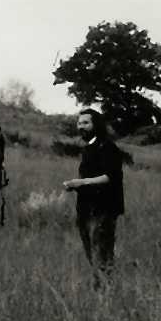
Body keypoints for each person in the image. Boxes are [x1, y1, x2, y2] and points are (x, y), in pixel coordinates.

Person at [62, 109, 125, 284]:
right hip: (86, 207)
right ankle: (102, 286)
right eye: (79, 123)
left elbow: (109, 177)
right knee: (91, 250)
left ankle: (104, 289)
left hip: (104, 208)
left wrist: (81, 183)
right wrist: (76, 186)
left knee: (101, 251)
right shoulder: (89, 147)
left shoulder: (108, 147)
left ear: (96, 124)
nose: (81, 126)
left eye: (86, 123)